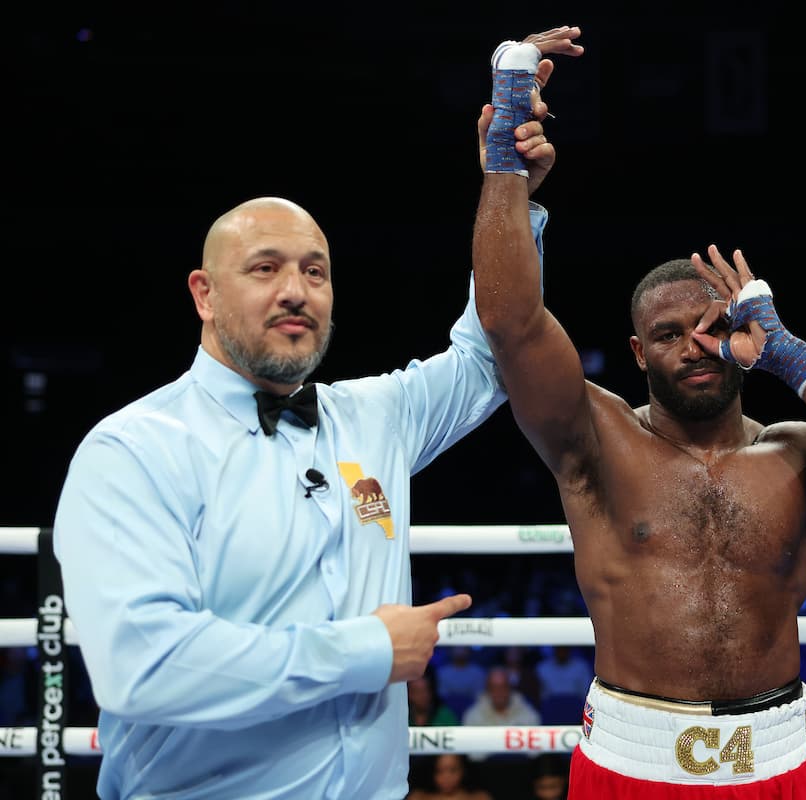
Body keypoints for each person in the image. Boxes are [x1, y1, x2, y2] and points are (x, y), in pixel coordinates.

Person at [48, 26, 582, 800]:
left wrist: (506, 184)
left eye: (315, 271)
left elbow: (490, 355)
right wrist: (364, 651)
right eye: (264, 269)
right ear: (203, 294)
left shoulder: (372, 417)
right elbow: (143, 667)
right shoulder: (133, 449)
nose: (296, 290)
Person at [470, 28, 806, 798]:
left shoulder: (797, 452)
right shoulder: (596, 437)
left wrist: (793, 355)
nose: (696, 347)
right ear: (636, 352)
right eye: (668, 335)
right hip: (632, 760)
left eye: (716, 328)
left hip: (779, 758)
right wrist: (505, 167)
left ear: (746, 336)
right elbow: (510, 321)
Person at [407, 754, 495, 800]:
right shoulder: (417, 797)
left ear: (463, 770)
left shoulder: (480, 798)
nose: (446, 778)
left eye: (453, 770)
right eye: (439, 771)